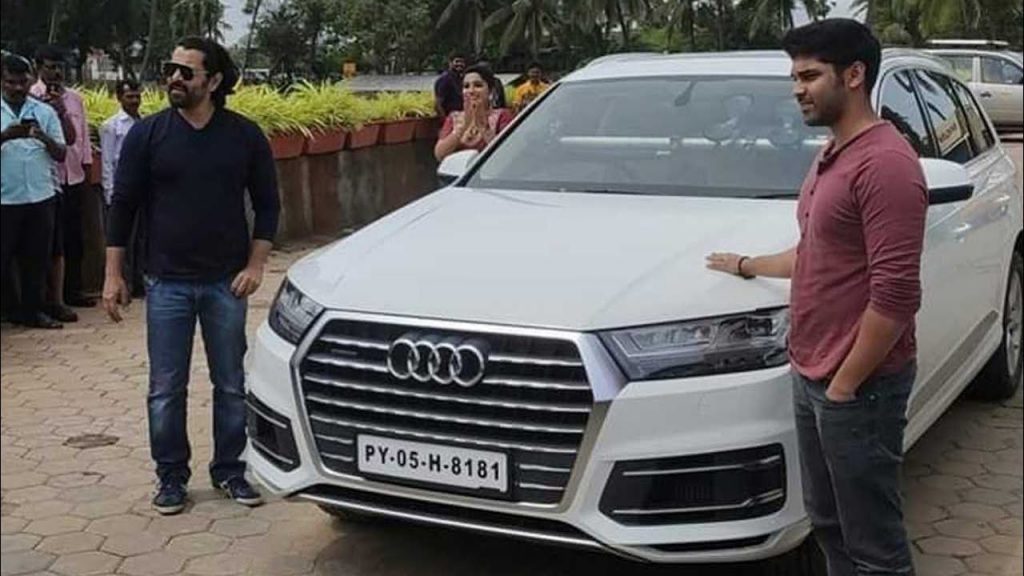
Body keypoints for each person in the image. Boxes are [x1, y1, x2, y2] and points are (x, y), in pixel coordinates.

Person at [706, 19, 926, 576]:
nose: (798, 88)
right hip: (815, 372)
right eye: (794, 76)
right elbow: (817, 252)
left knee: (873, 542)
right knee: (828, 524)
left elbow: (897, 296)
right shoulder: (833, 154)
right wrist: (749, 265)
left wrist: (847, 385)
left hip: (859, 386)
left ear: (854, 76)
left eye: (810, 75)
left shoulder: (886, 164)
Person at [103, 37, 281, 515]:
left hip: (227, 283)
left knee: (230, 384)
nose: (174, 79)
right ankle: (170, 477)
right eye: (170, 69)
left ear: (214, 81)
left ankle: (230, 471)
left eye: (186, 71)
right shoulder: (148, 135)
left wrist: (255, 265)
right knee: (165, 388)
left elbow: (268, 206)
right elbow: (123, 206)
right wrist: (113, 275)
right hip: (165, 283)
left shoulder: (244, 136)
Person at [1, 53, 67, 330]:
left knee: (36, 259)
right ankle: (9, 310)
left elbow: (62, 153)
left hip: (40, 197)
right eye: (10, 82)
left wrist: (42, 136)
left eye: (22, 82)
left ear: (30, 81)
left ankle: (33, 311)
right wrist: (6, 136)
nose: (17, 88)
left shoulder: (44, 112)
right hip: (5, 198)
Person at [31, 45, 94, 323]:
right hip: (45, 180)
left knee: (74, 237)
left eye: (60, 66)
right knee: (48, 242)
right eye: (50, 66)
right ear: (38, 68)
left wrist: (87, 167)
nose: (56, 72)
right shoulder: (30, 97)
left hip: (74, 176)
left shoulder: (75, 99)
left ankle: (73, 290)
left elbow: (79, 139)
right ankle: (45, 299)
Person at [99, 79, 144, 297]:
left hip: (144, 189)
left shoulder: (144, 124)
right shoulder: (111, 126)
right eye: (129, 97)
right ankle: (123, 283)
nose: (134, 101)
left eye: (137, 96)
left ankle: (140, 281)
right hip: (122, 190)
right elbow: (107, 161)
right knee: (123, 239)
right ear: (119, 98)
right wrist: (110, 193)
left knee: (142, 238)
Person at [434, 64, 514, 162]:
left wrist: (484, 128)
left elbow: (507, 155)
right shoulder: (454, 117)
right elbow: (439, 155)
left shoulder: (502, 115)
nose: (471, 91)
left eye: (478, 85)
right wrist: (463, 127)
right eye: (466, 86)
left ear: (491, 91)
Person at [434, 51, 466, 118]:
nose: (459, 64)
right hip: (450, 118)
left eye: (462, 62)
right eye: (457, 61)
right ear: (450, 63)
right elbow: (438, 103)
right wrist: (445, 120)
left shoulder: (461, 79)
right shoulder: (445, 80)